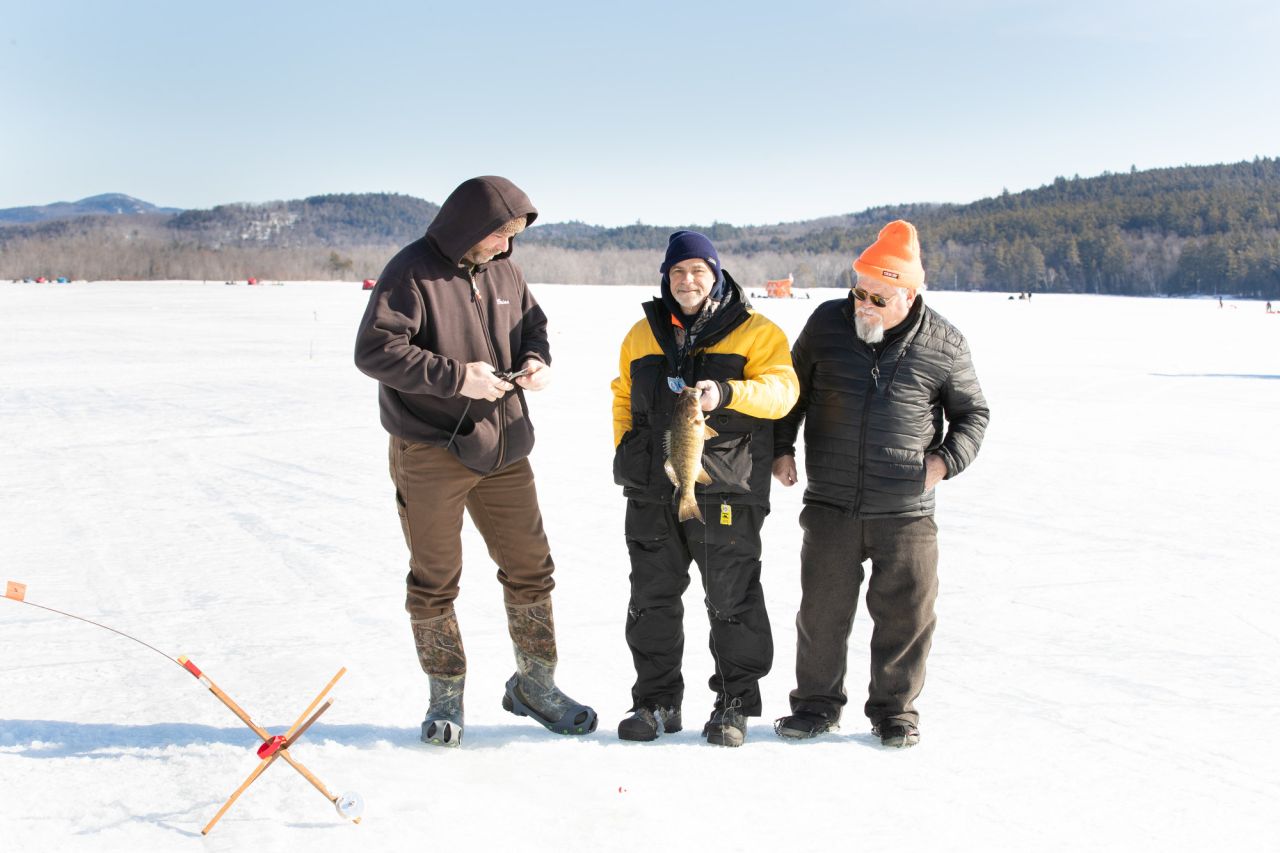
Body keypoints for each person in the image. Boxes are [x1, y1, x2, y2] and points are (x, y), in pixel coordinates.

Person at [354, 176, 596, 747]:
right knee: (435, 579)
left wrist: (535, 358)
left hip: (506, 448)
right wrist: (458, 377)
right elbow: (376, 350)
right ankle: (446, 696)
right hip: (432, 449)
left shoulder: (505, 272)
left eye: (514, 236)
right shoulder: (410, 271)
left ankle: (535, 686)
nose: (507, 247)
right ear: (471, 226)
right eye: (500, 234)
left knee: (532, 567)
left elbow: (531, 324)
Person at [772, 220, 989, 748]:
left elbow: (973, 415)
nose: (863, 304)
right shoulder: (826, 324)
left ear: (908, 294)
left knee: (906, 616)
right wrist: (782, 446)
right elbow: (792, 391)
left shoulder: (944, 342)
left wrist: (942, 462)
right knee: (821, 614)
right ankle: (816, 707)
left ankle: (895, 711)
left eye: (878, 296)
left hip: (907, 510)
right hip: (831, 502)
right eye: (859, 292)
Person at [611, 230, 799, 747]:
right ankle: (656, 702)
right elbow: (623, 397)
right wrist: (626, 452)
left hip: (728, 488)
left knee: (732, 598)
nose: (687, 280)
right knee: (651, 598)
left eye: (698, 270)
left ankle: (733, 703)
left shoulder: (756, 331)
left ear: (715, 274)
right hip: (652, 488)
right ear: (665, 278)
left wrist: (729, 391)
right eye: (677, 272)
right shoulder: (642, 334)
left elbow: (784, 391)